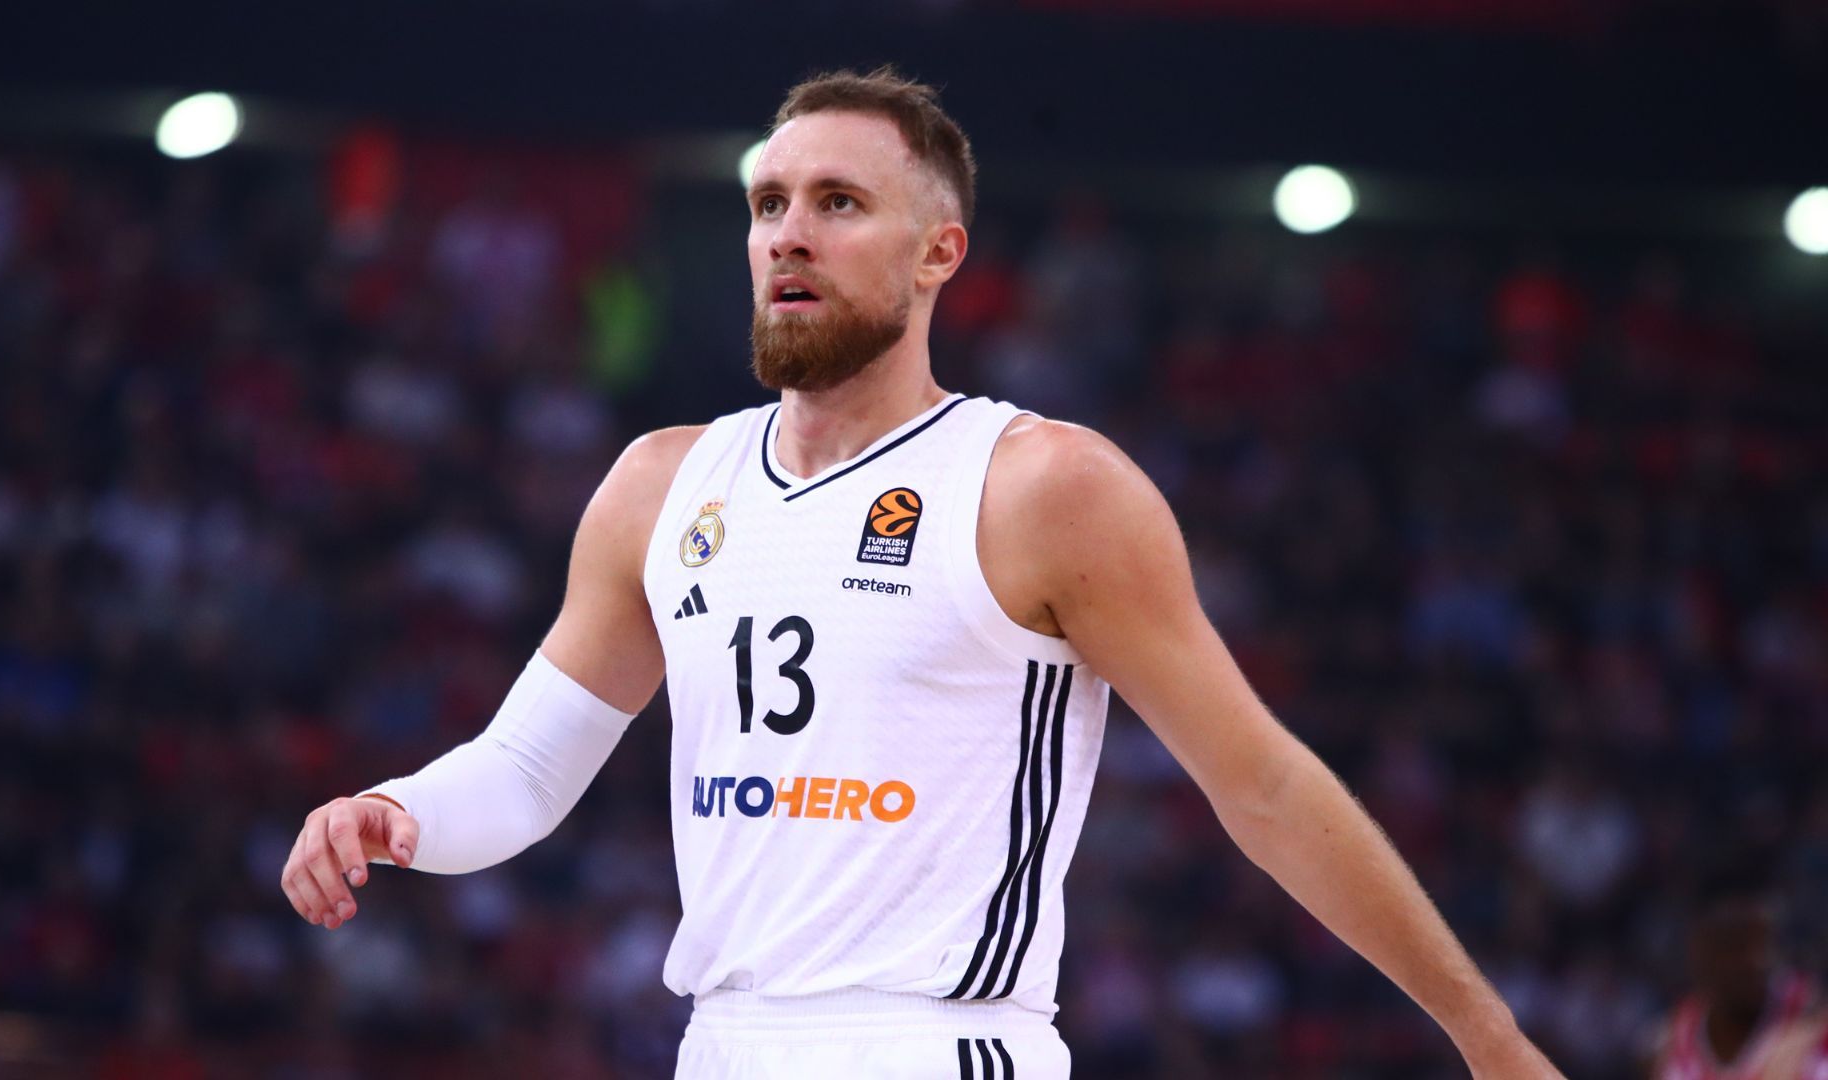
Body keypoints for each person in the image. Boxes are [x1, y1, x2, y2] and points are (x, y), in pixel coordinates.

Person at [280, 66, 1561, 1078]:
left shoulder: (1043, 487)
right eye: (769, 204)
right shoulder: (661, 484)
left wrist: (1488, 1037)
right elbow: (524, 771)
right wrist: (395, 813)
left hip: (939, 1043)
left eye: (838, 204)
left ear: (938, 252)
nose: (790, 234)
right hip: (720, 1045)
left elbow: (1264, 785)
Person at [1653, 870, 1828, 1080]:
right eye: (1737, 946)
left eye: (1763, 943)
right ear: (1700, 951)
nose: (1755, 960)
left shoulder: (1811, 1022)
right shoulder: (1672, 1044)